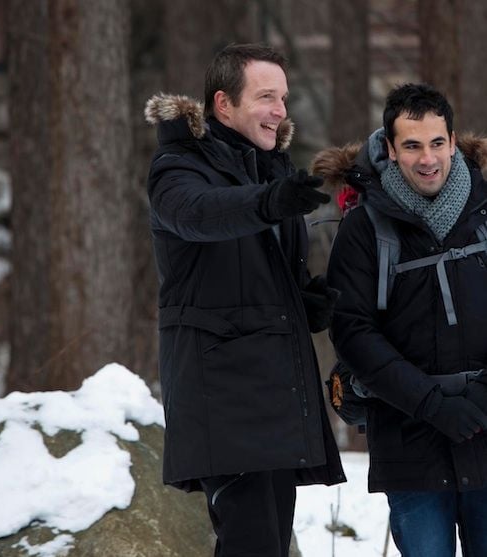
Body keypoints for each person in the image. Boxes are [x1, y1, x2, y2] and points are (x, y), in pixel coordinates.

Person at [144, 43, 345, 557]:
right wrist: (268, 202)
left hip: (275, 393)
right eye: (266, 96)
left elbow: (249, 277)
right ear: (223, 104)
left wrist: (304, 305)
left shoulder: (271, 171)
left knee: (270, 546)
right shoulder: (176, 167)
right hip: (224, 396)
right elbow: (200, 214)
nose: (280, 109)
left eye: (284, 97)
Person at [321, 83, 487, 556]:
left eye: (437, 143)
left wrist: (481, 395)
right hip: (410, 440)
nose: (428, 158)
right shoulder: (363, 228)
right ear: (391, 150)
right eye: (412, 145)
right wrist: (433, 405)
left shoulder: (485, 209)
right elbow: (353, 333)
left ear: (454, 141)